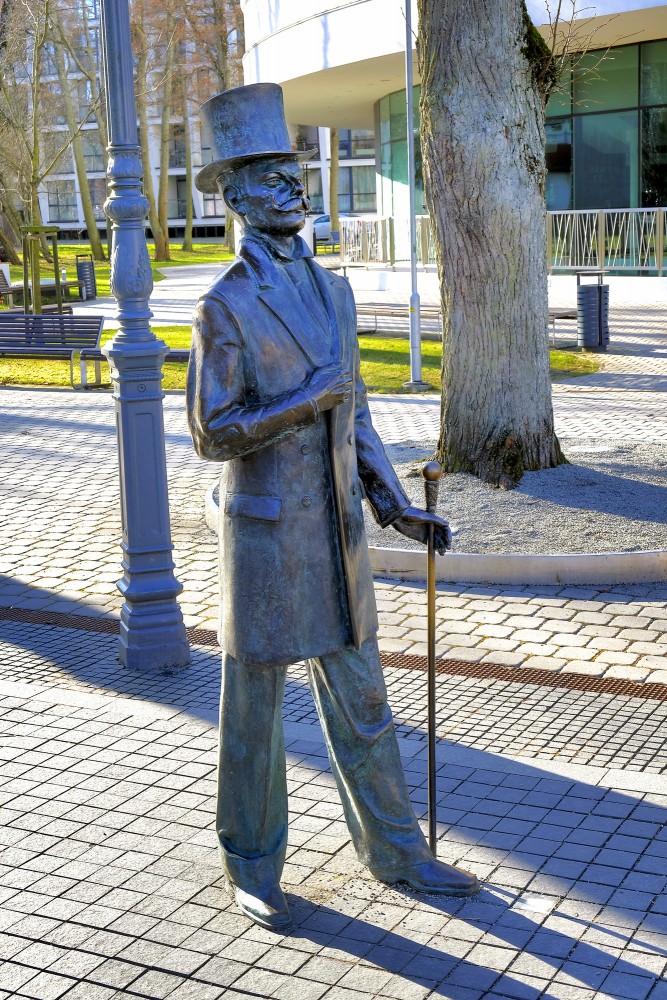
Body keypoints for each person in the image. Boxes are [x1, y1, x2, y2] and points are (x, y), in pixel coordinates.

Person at [187, 83, 479, 933]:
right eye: (274, 180)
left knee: (363, 704)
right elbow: (212, 432)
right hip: (266, 542)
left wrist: (393, 507)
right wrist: (303, 400)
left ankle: (396, 852)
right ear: (238, 199)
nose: (295, 189)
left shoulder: (336, 293)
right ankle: (251, 863)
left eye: (295, 174)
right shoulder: (225, 306)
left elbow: (356, 415)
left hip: (339, 536)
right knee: (255, 717)